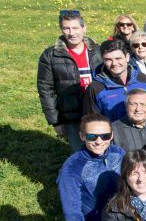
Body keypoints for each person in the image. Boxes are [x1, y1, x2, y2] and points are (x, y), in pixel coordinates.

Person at [37, 10, 100, 151]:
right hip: (72, 117)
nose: (72, 33)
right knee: (80, 154)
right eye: (66, 28)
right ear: (61, 29)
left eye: (75, 28)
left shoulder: (98, 51)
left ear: (84, 28)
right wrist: (56, 121)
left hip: (98, 113)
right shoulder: (51, 56)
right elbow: (46, 90)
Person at [83, 39, 146, 123]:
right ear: (103, 60)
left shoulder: (141, 79)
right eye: (108, 59)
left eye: (118, 58)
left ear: (127, 57)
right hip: (113, 131)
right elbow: (91, 122)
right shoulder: (96, 88)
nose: (114, 63)